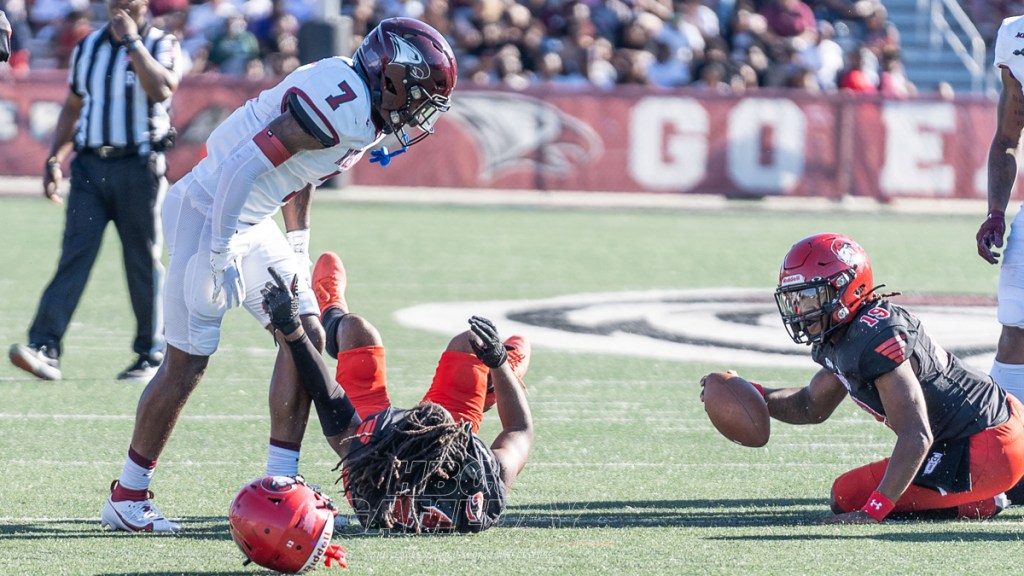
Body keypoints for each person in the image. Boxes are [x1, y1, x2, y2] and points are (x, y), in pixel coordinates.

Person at [100, 17, 457, 532]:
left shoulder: (355, 97)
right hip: (209, 209)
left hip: (248, 215)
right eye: (419, 94)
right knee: (189, 361)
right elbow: (242, 165)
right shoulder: (348, 106)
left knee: (305, 333)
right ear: (392, 76)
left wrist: (297, 242)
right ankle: (128, 496)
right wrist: (221, 248)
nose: (420, 110)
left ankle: (279, 481)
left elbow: (304, 167)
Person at [703, 233, 1024, 523]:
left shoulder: (873, 338)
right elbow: (810, 406)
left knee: (851, 498)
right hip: (984, 428)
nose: (800, 309)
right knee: (848, 493)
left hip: (988, 443)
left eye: (810, 296)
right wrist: (751, 393)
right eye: (795, 298)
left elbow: (917, 436)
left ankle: (984, 500)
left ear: (845, 289)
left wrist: (873, 513)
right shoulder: (848, 331)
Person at [262, 252, 533, 532]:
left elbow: (326, 393)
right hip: (432, 453)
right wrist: (499, 363)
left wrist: (293, 329)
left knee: (357, 331)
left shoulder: (371, 459)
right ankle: (492, 382)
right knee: (471, 343)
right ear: (458, 440)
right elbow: (519, 429)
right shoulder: (481, 476)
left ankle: (331, 310)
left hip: (382, 463)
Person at [8, 0, 180, 383]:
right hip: (89, 166)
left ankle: (151, 355)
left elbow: (163, 89)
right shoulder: (88, 46)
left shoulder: (159, 42)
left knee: (143, 259)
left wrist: (132, 43)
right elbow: (73, 104)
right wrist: (54, 159)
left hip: (139, 164)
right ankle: (45, 347)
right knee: (75, 254)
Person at [977, 14, 1024, 405]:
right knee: (1015, 328)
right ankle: (1000, 448)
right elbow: (1007, 138)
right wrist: (996, 211)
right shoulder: (1015, 35)